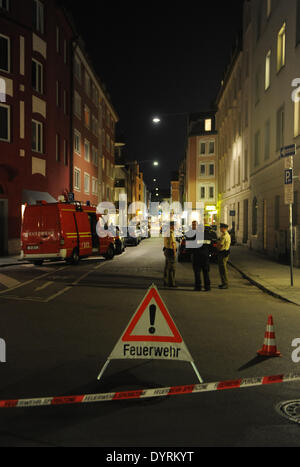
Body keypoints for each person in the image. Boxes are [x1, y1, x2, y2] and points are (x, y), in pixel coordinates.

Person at [187, 221, 211, 292]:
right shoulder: (207, 235)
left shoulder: (194, 235)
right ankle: (207, 287)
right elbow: (211, 246)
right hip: (205, 257)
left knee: (197, 272)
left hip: (197, 257)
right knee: (206, 272)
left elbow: (189, 245)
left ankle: (198, 286)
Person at [217, 223, 231, 289]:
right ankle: (223, 283)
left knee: (223, 270)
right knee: (222, 269)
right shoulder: (225, 235)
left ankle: (225, 283)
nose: (220, 229)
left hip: (223, 253)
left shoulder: (225, 236)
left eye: (221, 228)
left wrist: (217, 248)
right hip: (224, 253)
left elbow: (220, 245)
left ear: (224, 228)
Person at [163, 221, 177, 288]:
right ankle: (171, 283)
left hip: (166, 250)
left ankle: (165, 281)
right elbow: (173, 243)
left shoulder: (166, 232)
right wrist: (174, 252)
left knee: (167, 267)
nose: (175, 227)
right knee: (171, 268)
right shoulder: (171, 232)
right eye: (175, 226)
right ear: (171, 226)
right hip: (170, 251)